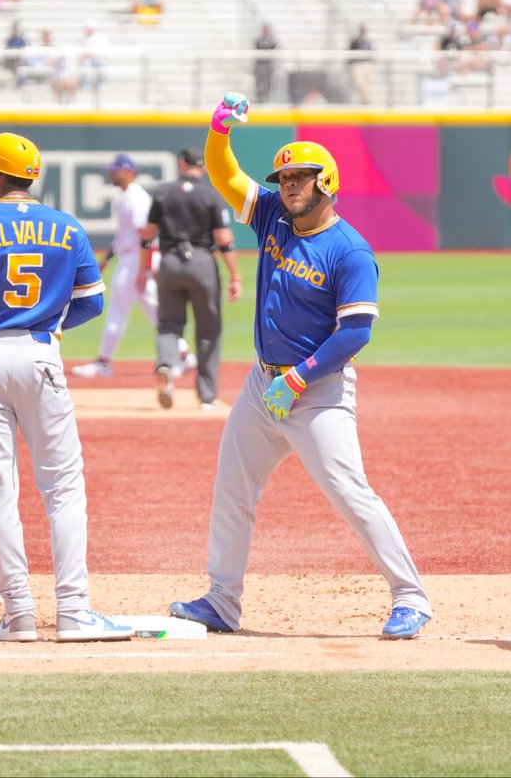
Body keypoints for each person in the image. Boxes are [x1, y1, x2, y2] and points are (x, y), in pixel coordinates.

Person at [167, 92, 433, 639]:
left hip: (317, 391)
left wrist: (300, 376)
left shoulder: (349, 251)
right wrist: (219, 132)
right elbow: (225, 174)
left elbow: (355, 331)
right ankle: (222, 601)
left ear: (326, 183)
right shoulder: (272, 216)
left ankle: (411, 597)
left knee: (349, 491)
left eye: (300, 178)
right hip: (263, 385)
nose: (288, 186)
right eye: (284, 178)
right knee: (232, 487)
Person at [0, 131, 133, 644]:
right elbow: (92, 302)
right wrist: (52, 324)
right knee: (63, 488)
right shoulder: (66, 226)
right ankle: (73, 610)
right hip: (41, 355)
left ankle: (18, 615)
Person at [72, 153, 193, 379]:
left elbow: (146, 235)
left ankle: (104, 362)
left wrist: (143, 269)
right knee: (155, 310)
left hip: (136, 260)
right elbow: (124, 237)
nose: (111, 174)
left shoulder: (135, 197)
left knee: (122, 311)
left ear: (128, 171)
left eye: (115, 171)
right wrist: (107, 259)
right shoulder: (129, 196)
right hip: (132, 259)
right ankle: (183, 354)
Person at [135, 148, 240, 410]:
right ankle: (207, 396)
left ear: (181, 163)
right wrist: (235, 275)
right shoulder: (210, 195)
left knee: (168, 325)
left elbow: (147, 235)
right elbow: (224, 239)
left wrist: (142, 269)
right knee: (208, 331)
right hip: (202, 262)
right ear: (202, 168)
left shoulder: (163, 192)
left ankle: (166, 365)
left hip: (170, 262)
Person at [347, 24, 375, 106]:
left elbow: (371, 52)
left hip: (366, 64)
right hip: (358, 64)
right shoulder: (355, 41)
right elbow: (350, 51)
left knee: (367, 83)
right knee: (359, 83)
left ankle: (366, 101)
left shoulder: (368, 41)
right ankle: (365, 100)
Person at [253, 23, 278, 103]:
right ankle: (259, 97)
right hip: (260, 66)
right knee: (259, 82)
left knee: (269, 82)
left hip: (268, 66)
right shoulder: (258, 41)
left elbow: (273, 48)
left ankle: (268, 97)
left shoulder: (272, 41)